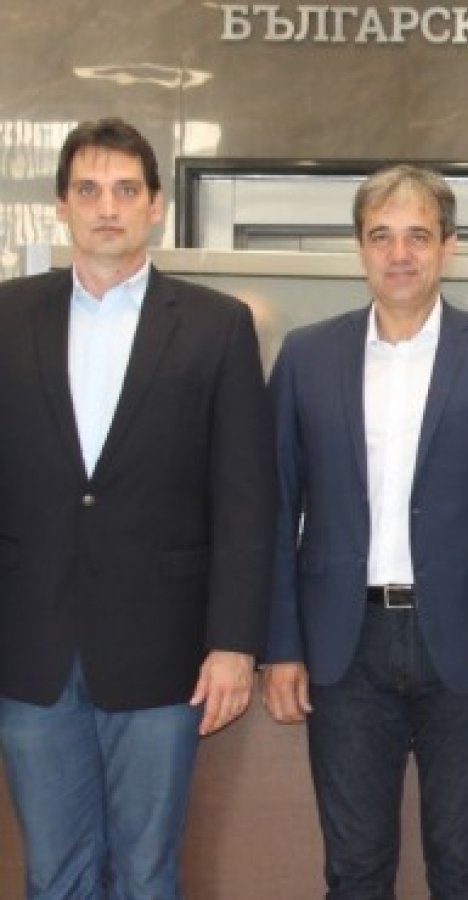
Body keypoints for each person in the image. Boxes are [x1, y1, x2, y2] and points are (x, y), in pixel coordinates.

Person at [0, 118, 276, 898]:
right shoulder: (7, 316)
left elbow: (246, 499)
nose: (107, 207)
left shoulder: (217, 326)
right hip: (30, 649)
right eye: (88, 190)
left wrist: (234, 644)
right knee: (54, 874)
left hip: (164, 653)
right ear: (61, 205)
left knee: (148, 872)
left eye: (126, 190)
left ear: (156, 206)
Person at [261, 164, 468, 898]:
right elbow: (275, 507)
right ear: (359, 248)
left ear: (448, 247)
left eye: (418, 237)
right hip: (345, 647)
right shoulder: (306, 356)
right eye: (381, 237)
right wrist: (282, 647)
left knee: (463, 867)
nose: (400, 254)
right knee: (354, 869)